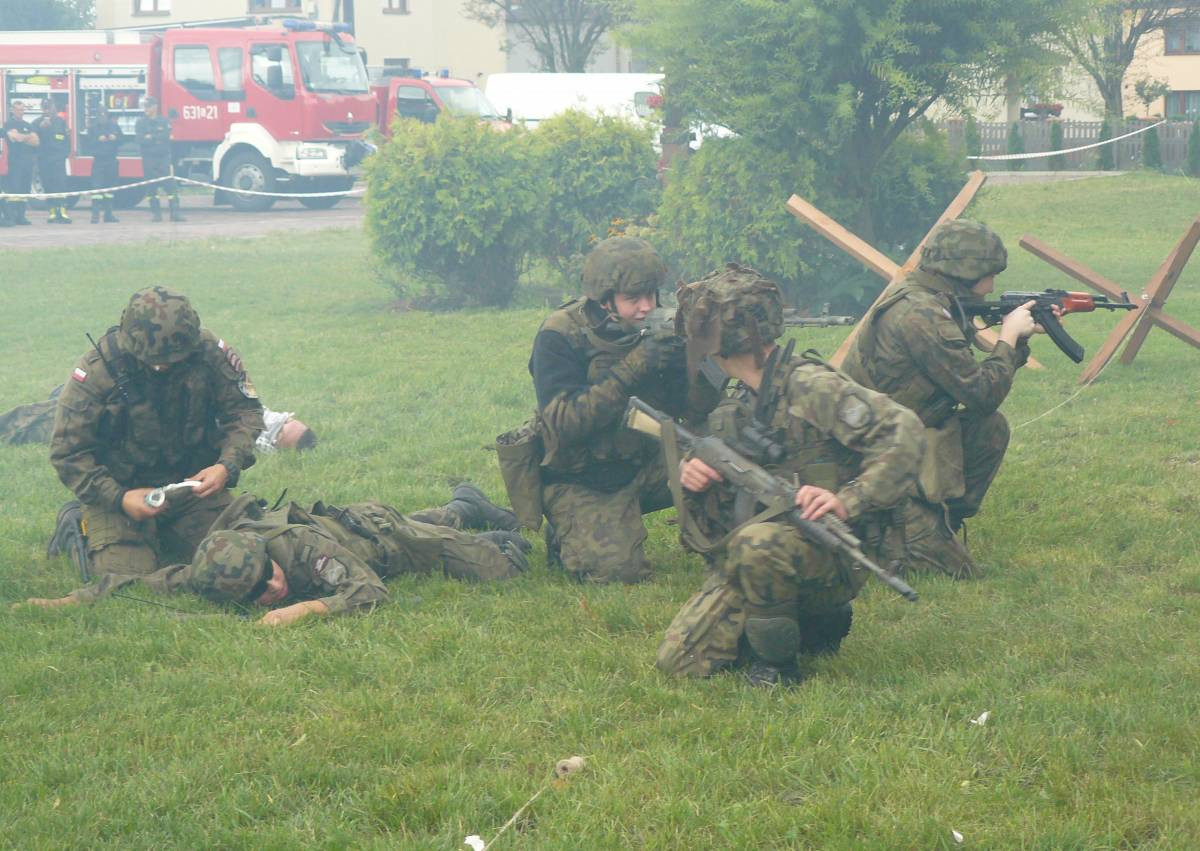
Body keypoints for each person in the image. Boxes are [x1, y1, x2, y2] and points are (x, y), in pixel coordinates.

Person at [656, 264, 923, 686]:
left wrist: (847, 499)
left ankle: (779, 668)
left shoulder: (808, 386)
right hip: (778, 541)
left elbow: (904, 432)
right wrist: (695, 471)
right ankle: (815, 622)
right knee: (680, 661)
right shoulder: (745, 395)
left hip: (834, 547)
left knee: (756, 546)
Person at [840, 219, 1046, 578]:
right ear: (965, 272)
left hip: (900, 439)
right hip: (873, 459)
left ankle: (938, 519)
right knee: (959, 573)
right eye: (989, 273)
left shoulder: (924, 296)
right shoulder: (923, 315)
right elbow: (982, 393)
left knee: (989, 429)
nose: (992, 285)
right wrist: (1009, 339)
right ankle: (887, 529)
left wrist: (1019, 336)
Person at [27, 484, 528, 627]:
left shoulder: (302, 552)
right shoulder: (219, 570)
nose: (273, 590)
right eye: (259, 594)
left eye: (269, 579)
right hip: (355, 528)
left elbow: (370, 589)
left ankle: (470, 515)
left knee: (505, 566)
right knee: (426, 524)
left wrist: (304, 608)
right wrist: (64, 602)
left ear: (270, 555)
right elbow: (136, 583)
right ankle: (460, 505)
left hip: (384, 542)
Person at [523, 235, 711, 584]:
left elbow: (695, 409)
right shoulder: (560, 335)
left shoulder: (657, 326)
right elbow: (562, 424)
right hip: (584, 479)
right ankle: (567, 528)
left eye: (651, 295)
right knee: (618, 573)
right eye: (633, 299)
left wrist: (699, 360)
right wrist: (634, 366)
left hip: (646, 462)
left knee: (725, 443)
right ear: (605, 300)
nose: (646, 306)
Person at [49, 286, 264, 578]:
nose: (162, 367)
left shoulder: (209, 353)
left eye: (173, 360)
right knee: (125, 577)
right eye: (153, 361)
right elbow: (68, 452)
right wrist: (118, 497)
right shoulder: (98, 369)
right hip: (120, 493)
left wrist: (226, 466)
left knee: (244, 554)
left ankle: (168, 530)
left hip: (190, 489)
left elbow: (244, 412)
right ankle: (76, 523)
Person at [0, 387, 311, 452]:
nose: (278, 424)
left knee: (38, 424)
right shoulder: (251, 411)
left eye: (281, 432)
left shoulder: (241, 436)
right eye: (285, 422)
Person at [134, 96, 183, 222]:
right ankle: (156, 215)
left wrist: (151, 136)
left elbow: (166, 135)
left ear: (154, 107)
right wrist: (156, 137)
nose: (146, 109)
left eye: (148, 106)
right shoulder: (140, 122)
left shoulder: (163, 121)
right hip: (149, 159)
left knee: (170, 186)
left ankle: (175, 214)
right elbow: (140, 140)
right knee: (151, 187)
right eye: (144, 107)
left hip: (163, 158)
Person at [35, 97, 71, 224]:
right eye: (45, 107)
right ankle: (52, 212)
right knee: (48, 186)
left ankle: (62, 212)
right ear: (41, 109)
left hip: (58, 161)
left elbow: (67, 141)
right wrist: (41, 128)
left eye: (49, 107)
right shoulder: (36, 123)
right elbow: (33, 142)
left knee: (61, 186)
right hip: (44, 162)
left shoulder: (60, 122)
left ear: (53, 108)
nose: (47, 110)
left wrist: (64, 155)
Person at [3, 99, 38, 226]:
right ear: (13, 110)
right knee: (15, 190)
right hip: (15, 163)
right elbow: (14, 138)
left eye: (22, 110)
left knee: (25, 190)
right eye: (18, 109)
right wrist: (27, 137)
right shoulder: (9, 124)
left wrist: (22, 137)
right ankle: (12, 216)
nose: (21, 112)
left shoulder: (27, 124)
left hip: (27, 163)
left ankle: (22, 216)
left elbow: (36, 141)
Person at [86, 104, 122, 224]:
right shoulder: (93, 128)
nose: (103, 117)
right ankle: (95, 215)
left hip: (112, 160)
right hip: (99, 161)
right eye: (100, 114)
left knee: (110, 189)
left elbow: (123, 139)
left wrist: (115, 138)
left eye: (104, 114)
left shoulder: (114, 126)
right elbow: (88, 144)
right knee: (97, 189)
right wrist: (97, 140)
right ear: (97, 116)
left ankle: (108, 214)